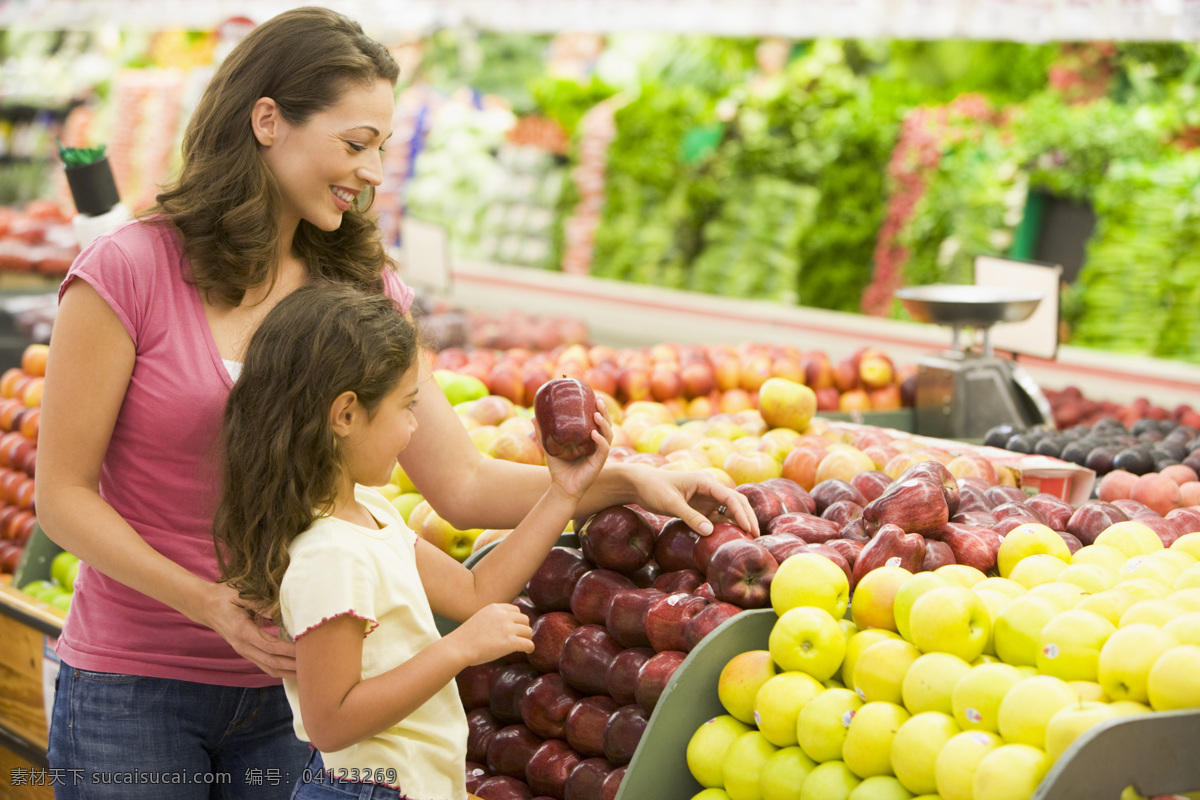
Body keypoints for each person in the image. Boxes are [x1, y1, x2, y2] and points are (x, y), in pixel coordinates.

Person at [36, 6, 754, 799]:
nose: (375, 172)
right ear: (267, 120)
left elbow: (463, 486)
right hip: (135, 687)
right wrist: (210, 605)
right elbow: (62, 498)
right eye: (355, 144)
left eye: (381, 145)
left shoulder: (364, 290)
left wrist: (630, 477)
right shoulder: (127, 269)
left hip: (308, 697)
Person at [214, 282, 609, 799]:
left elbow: (474, 592)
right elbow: (331, 721)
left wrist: (563, 494)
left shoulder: (370, 514)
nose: (414, 427)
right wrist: (458, 650)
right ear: (346, 415)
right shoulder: (329, 554)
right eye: (406, 407)